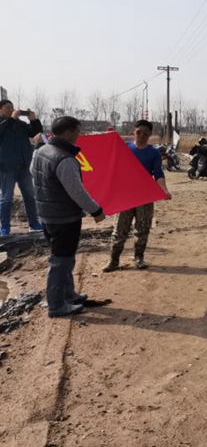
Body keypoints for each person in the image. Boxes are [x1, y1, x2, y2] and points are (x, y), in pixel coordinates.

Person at [30, 116, 105, 317]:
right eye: (78, 132)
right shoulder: (65, 158)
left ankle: (68, 295)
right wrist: (96, 210)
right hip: (64, 218)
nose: (79, 136)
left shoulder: (41, 151)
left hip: (46, 215)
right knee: (61, 261)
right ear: (68, 133)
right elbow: (76, 191)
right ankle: (56, 306)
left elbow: (32, 173)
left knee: (64, 258)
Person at [103, 120, 171, 271]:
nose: (142, 135)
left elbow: (158, 174)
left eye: (145, 133)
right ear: (134, 131)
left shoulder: (153, 153)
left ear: (150, 135)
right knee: (119, 230)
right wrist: (108, 139)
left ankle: (139, 257)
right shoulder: (125, 148)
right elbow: (108, 161)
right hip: (125, 196)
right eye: (139, 132)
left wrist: (164, 190)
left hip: (145, 197)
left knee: (142, 229)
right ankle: (113, 260)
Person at [0, 99, 43, 236]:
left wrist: (34, 121)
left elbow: (35, 133)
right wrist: (11, 119)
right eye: (8, 107)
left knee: (30, 195)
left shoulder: (21, 124)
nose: (11, 109)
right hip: (6, 167)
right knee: (6, 198)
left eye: (12, 107)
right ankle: (5, 227)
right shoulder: (4, 124)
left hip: (24, 166)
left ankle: (34, 223)